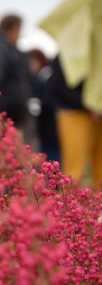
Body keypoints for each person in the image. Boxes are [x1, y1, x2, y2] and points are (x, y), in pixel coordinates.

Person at [51, 55, 102, 188]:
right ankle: (69, 206)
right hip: (74, 114)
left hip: (96, 113)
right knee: (74, 173)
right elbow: (57, 87)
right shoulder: (66, 51)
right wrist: (90, 105)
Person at [28, 49, 59, 162]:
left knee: (51, 160)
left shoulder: (46, 76)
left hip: (50, 128)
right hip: (48, 128)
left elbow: (48, 100)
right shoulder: (44, 75)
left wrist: (37, 103)